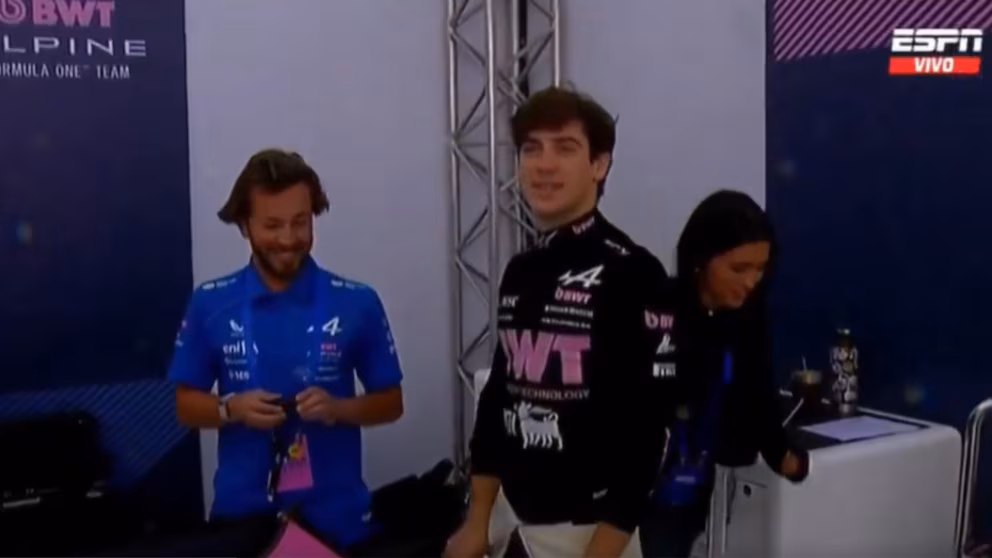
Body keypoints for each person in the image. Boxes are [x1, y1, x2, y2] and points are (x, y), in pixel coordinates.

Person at [445, 87, 679, 558]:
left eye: (565, 148)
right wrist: (477, 521)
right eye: (532, 149)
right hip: (510, 524)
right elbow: (499, 398)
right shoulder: (522, 269)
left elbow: (650, 434)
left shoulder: (635, 273)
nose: (544, 165)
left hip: (589, 534)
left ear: (599, 165)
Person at [167, 148, 404, 550]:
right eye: (272, 225)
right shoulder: (211, 303)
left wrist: (338, 409)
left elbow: (391, 403)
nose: (288, 239)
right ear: (245, 225)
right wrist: (230, 409)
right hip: (243, 521)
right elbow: (184, 406)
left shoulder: (357, 302)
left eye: (300, 222)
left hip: (337, 523)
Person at [640, 190, 810, 558]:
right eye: (739, 269)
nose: (751, 282)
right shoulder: (653, 307)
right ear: (701, 260)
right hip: (634, 494)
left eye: (760, 269)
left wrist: (785, 455)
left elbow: (759, 394)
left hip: (691, 496)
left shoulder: (748, 320)